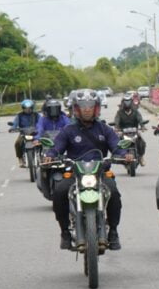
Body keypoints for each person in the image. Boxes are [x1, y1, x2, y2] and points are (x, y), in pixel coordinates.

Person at [44, 89, 134, 251]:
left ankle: (113, 231)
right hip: (75, 173)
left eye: (90, 106)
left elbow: (116, 146)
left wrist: (124, 155)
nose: (87, 109)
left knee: (113, 192)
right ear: (76, 109)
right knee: (59, 192)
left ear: (96, 108)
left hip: (99, 173)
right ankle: (64, 231)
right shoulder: (68, 130)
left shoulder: (105, 129)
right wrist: (50, 155)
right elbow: (57, 147)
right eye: (83, 106)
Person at [113, 93, 146, 165]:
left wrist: (142, 126)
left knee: (142, 142)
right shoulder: (119, 112)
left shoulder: (135, 111)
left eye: (128, 101)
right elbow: (117, 120)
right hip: (123, 132)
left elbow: (140, 119)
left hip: (135, 131)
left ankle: (141, 157)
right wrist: (116, 127)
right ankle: (120, 157)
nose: (127, 103)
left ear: (131, 102)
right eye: (125, 101)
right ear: (122, 102)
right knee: (117, 143)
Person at [10, 99, 39, 167]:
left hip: (35, 133)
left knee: (43, 141)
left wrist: (41, 128)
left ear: (32, 108)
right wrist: (12, 128)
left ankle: (44, 157)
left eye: (29, 108)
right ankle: (20, 159)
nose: (28, 110)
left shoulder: (36, 115)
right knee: (17, 143)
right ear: (23, 108)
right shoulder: (19, 115)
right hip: (23, 133)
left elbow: (41, 122)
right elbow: (15, 123)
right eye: (26, 108)